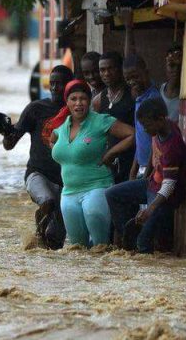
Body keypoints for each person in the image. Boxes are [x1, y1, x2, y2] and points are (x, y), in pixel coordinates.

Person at [0, 65, 74, 249]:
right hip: (38, 174)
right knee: (47, 201)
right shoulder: (36, 109)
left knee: (55, 243)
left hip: (68, 181)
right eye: (52, 83)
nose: (55, 88)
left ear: (70, 85)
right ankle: (38, 230)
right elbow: (10, 144)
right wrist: (5, 132)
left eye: (60, 84)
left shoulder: (77, 110)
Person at [48, 80, 134, 248]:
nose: (78, 103)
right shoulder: (61, 125)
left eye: (83, 98)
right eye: (73, 98)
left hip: (97, 187)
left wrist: (111, 153)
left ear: (89, 100)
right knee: (77, 249)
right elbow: (51, 140)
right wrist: (64, 153)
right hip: (68, 193)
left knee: (99, 247)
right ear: (67, 102)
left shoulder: (100, 121)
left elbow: (132, 134)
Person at [106, 98, 186, 253]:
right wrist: (146, 175)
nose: (144, 129)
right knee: (112, 194)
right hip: (151, 183)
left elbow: (169, 186)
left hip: (164, 196)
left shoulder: (173, 145)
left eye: (147, 125)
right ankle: (127, 239)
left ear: (161, 119)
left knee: (143, 243)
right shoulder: (160, 129)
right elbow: (154, 149)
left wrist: (150, 209)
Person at [92, 51, 135, 183]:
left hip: (132, 158)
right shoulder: (98, 100)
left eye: (111, 68)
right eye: (102, 70)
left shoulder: (133, 94)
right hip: (109, 163)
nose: (106, 73)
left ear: (120, 69)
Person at [123, 54, 161, 181]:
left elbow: (155, 140)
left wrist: (146, 176)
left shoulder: (152, 99)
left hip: (152, 168)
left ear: (146, 72)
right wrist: (133, 170)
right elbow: (141, 138)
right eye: (128, 79)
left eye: (136, 77)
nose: (132, 82)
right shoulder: (139, 98)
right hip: (142, 167)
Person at [160, 45, 182, 122]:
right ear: (166, 66)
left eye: (180, 66)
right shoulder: (158, 93)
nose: (176, 70)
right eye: (172, 65)